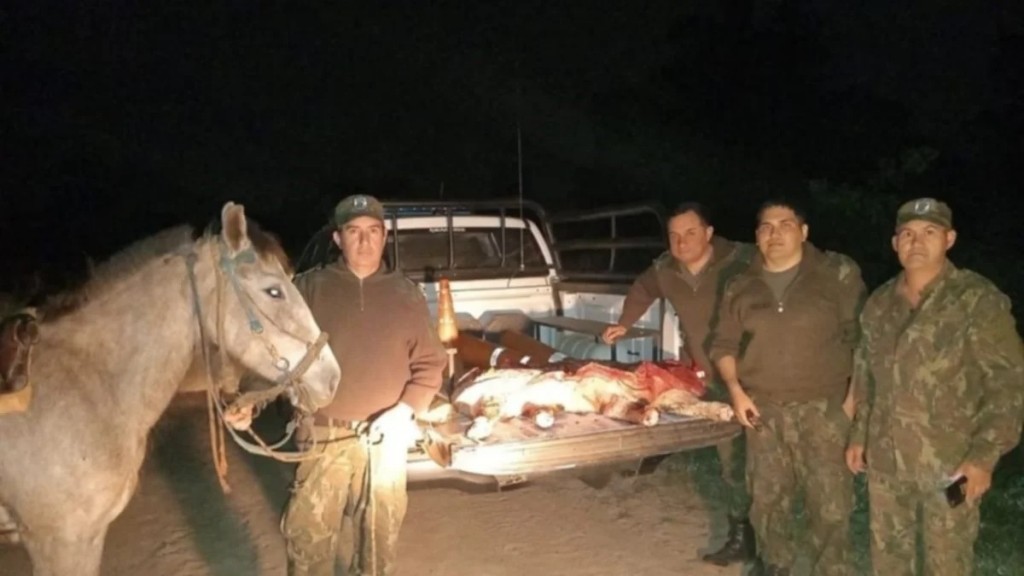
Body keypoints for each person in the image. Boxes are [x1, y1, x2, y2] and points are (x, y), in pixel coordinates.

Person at [845, 198, 1024, 576]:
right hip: (887, 459)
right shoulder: (879, 303)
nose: (916, 242)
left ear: (949, 239)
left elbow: (1008, 382)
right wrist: (859, 436)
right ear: (895, 244)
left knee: (947, 562)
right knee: (889, 558)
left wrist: (984, 457)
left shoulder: (976, 300)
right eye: (907, 234)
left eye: (929, 233)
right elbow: (866, 374)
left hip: (951, 461)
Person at [282, 194, 448, 576]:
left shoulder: (406, 294)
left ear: (385, 236)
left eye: (373, 231)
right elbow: (278, 357)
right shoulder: (308, 289)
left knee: (378, 547)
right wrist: (251, 404)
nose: (364, 241)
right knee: (308, 542)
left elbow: (430, 363)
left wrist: (405, 412)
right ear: (338, 239)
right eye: (353, 231)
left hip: (385, 442)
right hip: (325, 436)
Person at [709, 199, 865, 576]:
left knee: (830, 507)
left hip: (824, 409)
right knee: (767, 501)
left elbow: (864, 342)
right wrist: (736, 390)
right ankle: (776, 565)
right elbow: (723, 345)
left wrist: (850, 403)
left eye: (785, 225)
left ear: (804, 231)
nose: (774, 233)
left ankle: (831, 569)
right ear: (757, 235)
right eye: (766, 227)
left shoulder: (836, 274)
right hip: (764, 410)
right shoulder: (741, 283)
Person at [600, 201, 757, 566]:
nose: (681, 242)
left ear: (708, 233)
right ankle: (742, 537)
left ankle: (777, 542)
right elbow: (643, 287)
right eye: (674, 235)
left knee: (769, 461)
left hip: (757, 374)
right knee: (731, 460)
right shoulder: (666, 269)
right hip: (714, 379)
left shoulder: (742, 259)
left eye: (690, 233)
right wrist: (625, 322)